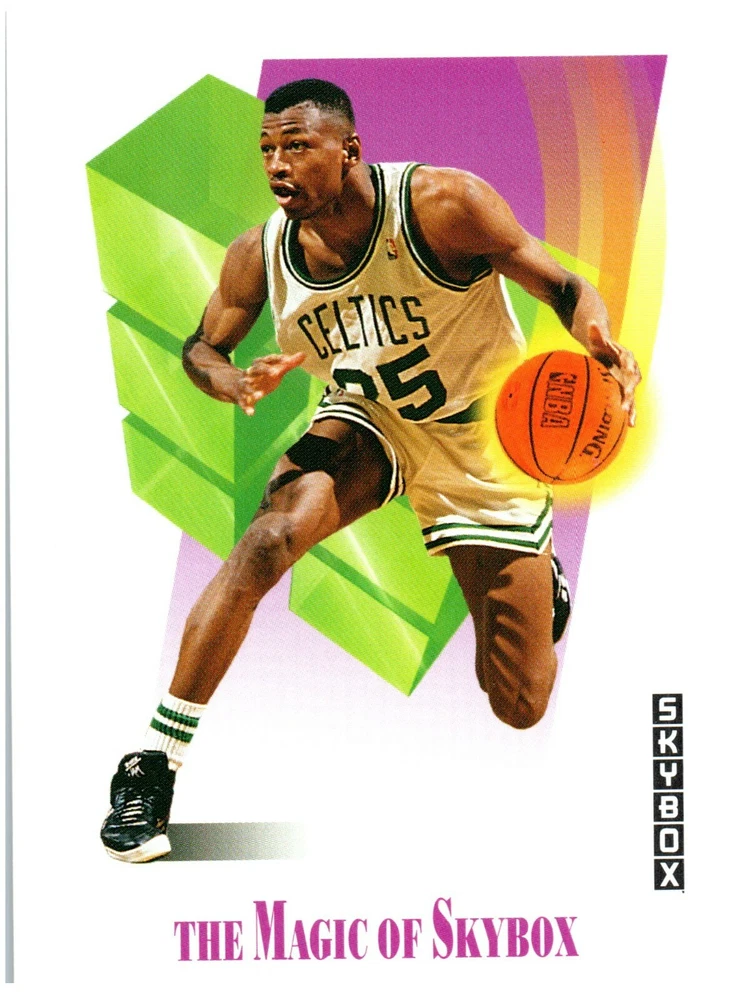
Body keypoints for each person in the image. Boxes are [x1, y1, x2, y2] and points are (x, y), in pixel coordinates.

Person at [101, 79, 640, 863]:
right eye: (267, 150)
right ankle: (154, 762)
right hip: (369, 421)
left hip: (481, 440)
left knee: (519, 704)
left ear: (349, 150)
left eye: (296, 146)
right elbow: (202, 346)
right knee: (266, 541)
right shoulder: (261, 255)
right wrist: (228, 380)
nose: (276, 165)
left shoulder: (443, 205)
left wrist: (598, 341)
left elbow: (564, 287)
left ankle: (541, 576)